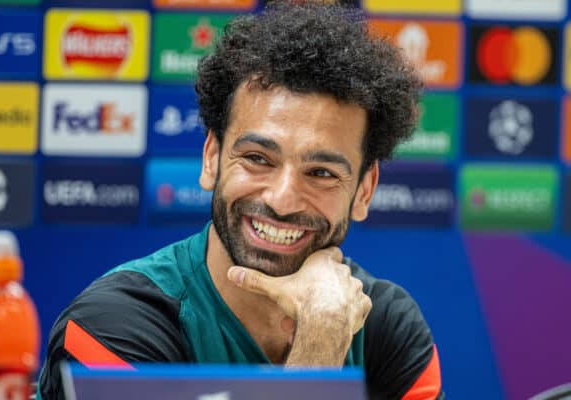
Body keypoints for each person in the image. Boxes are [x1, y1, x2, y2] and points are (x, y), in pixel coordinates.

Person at [38, 2, 443, 399]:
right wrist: (320, 344)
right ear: (211, 157)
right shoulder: (113, 326)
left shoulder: (386, 326)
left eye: (321, 173)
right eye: (257, 159)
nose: (282, 200)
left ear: (365, 190)